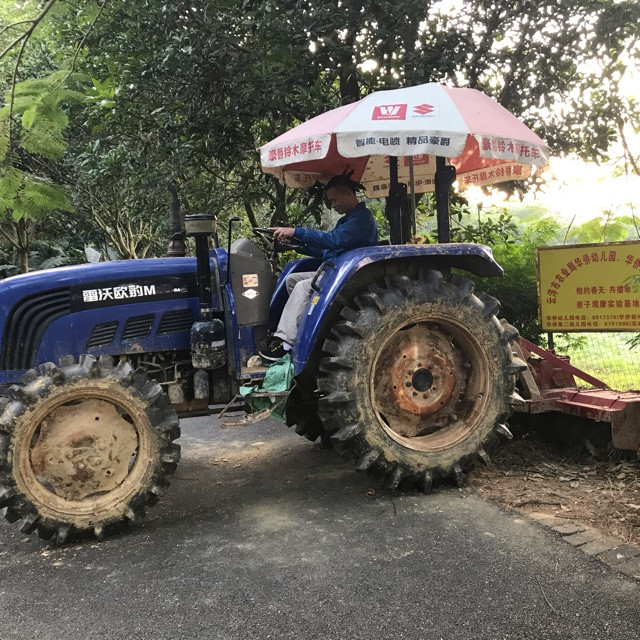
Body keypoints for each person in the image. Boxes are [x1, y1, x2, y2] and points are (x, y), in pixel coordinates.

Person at [259, 174, 378, 361]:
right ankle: (300, 331)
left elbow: (333, 240)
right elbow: (327, 249)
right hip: (333, 268)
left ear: (348, 193)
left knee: (303, 287)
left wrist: (297, 231)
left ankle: (286, 344)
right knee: (292, 280)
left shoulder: (361, 219)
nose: (332, 205)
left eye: (334, 199)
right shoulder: (346, 221)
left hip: (347, 274)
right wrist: (296, 244)